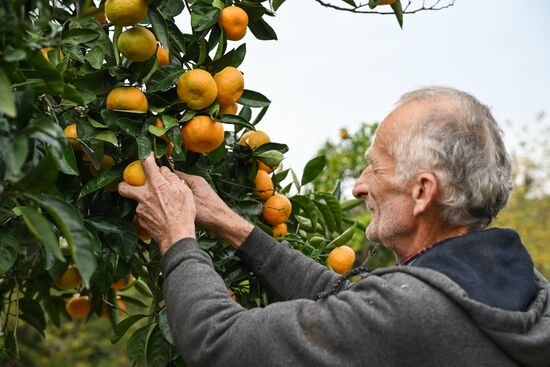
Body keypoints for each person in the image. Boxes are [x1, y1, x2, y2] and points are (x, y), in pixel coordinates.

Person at [118, 86, 550, 367]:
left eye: (373, 168)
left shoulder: (412, 310)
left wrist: (176, 235)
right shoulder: (524, 289)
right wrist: (231, 224)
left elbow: (220, 343)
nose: (359, 187)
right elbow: (347, 301)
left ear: (422, 191)